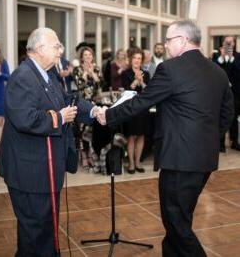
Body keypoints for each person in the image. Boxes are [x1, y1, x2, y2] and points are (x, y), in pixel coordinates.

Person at [97, 20, 234, 256]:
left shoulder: (170, 69)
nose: (166, 45)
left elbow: (141, 102)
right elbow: (227, 113)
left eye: (168, 40)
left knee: (177, 225)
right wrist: (207, 139)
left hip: (179, 160)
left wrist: (107, 114)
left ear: (182, 40)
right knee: (180, 220)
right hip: (203, 159)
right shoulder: (217, 71)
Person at [0, 27, 99, 257]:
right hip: (29, 171)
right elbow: (25, 118)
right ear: (40, 47)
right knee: (35, 232)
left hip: (45, 167)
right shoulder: (22, 77)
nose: (60, 50)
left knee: (43, 229)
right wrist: (59, 117)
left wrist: (93, 110)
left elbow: (67, 101)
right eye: (56, 46)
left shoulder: (47, 74)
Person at [73, 46, 101, 170]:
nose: (88, 57)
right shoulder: (77, 69)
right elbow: (79, 84)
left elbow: (101, 83)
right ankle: (84, 157)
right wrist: (85, 72)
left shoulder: (96, 68)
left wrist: (92, 73)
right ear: (82, 58)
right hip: (81, 103)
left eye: (90, 55)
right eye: (85, 55)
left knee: (91, 131)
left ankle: (91, 155)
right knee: (81, 130)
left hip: (93, 103)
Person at [121, 47, 149, 174]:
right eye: (135, 58)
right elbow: (127, 90)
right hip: (130, 107)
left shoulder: (146, 73)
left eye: (139, 58)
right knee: (131, 136)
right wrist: (136, 80)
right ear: (131, 60)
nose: (137, 61)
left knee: (141, 135)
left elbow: (148, 91)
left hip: (142, 108)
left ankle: (138, 162)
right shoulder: (126, 73)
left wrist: (142, 82)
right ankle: (131, 163)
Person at [213, 35, 240, 151]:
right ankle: (220, 143)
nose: (229, 44)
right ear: (223, 43)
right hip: (219, 92)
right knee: (220, 116)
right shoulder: (216, 55)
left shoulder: (238, 56)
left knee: (233, 116)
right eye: (226, 42)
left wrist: (231, 58)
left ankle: (234, 141)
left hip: (235, 92)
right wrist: (222, 58)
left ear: (234, 44)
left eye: (231, 42)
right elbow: (214, 69)